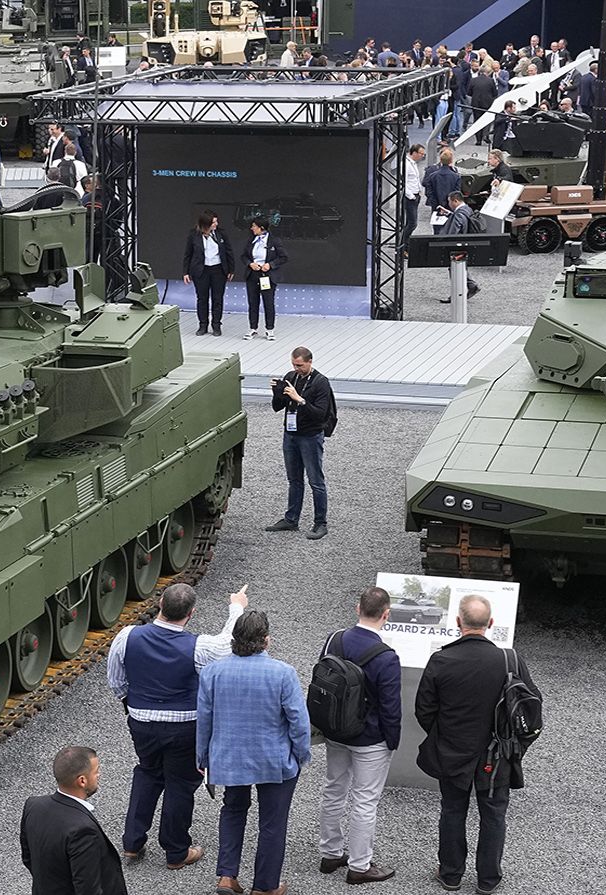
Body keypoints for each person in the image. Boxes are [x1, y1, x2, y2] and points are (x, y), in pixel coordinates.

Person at [105, 582, 246, 871]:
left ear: (160, 605)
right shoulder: (197, 646)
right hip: (184, 726)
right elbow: (226, 644)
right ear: (191, 613)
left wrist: (130, 702)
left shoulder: (127, 635)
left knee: (147, 772)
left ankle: (132, 842)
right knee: (180, 784)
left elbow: (115, 679)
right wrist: (237, 607)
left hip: (141, 721)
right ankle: (176, 850)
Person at [416, 594, 537, 894]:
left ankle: (451, 874)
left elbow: (424, 710)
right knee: (494, 814)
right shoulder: (510, 660)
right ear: (491, 624)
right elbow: (531, 706)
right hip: (497, 756)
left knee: (452, 811)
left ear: (458, 623)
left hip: (452, 751)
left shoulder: (441, 660)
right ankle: (488, 880)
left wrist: (444, 735)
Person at [197, 609, 309, 895]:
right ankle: (265, 886)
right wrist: (301, 754)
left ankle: (227, 876)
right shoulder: (283, 673)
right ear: (266, 640)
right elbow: (298, 720)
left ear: (234, 639)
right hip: (274, 760)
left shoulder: (212, 673)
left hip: (230, 758)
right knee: (273, 823)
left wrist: (203, 758)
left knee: (232, 811)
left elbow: (205, 719)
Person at [315, 587, 401, 885]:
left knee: (333, 789)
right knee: (365, 800)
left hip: (336, 730)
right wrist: (392, 741)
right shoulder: (386, 657)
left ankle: (330, 853)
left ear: (357, 608)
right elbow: (391, 706)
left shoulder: (333, 639)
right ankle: (360, 865)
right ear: (386, 615)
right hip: (370, 738)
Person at [20, 745, 127, 895]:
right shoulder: (83, 830)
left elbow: (28, 858)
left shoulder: (33, 805)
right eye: (96, 771)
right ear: (82, 781)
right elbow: (88, 889)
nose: (99, 775)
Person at [266, 347, 335, 540]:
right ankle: (291, 519)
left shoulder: (321, 383)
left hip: (310, 436)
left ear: (310, 361)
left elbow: (320, 414)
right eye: (294, 364)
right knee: (294, 480)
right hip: (291, 434)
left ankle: (321, 523)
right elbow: (277, 407)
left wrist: (300, 399)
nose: (296, 368)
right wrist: (277, 392)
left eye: (300, 365)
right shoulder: (291, 376)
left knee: (316, 481)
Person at [182, 211, 233, 337]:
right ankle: (202, 325)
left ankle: (216, 325)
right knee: (202, 299)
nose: (216, 224)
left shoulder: (221, 233)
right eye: (213, 222)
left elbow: (228, 252)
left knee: (217, 299)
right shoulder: (194, 234)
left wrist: (231, 270)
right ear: (206, 223)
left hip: (218, 270)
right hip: (201, 270)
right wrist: (186, 272)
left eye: (216, 221)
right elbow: (188, 254)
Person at [241, 217, 286, 342]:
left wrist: (270, 265)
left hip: (267, 276)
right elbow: (244, 256)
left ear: (261, 227)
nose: (252, 228)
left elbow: (283, 257)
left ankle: (270, 329)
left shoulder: (274, 241)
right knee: (253, 303)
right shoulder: (251, 240)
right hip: (253, 275)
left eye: (254, 226)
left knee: (268, 303)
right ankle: (252, 328)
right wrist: (250, 264)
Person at [403, 144, 425, 236]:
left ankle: (405, 243)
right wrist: (411, 196)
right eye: (421, 154)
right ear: (414, 153)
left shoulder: (413, 163)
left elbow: (415, 178)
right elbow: (403, 182)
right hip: (410, 197)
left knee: (410, 222)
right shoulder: (406, 164)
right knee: (412, 223)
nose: (422, 156)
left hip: (416, 195)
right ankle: (404, 243)